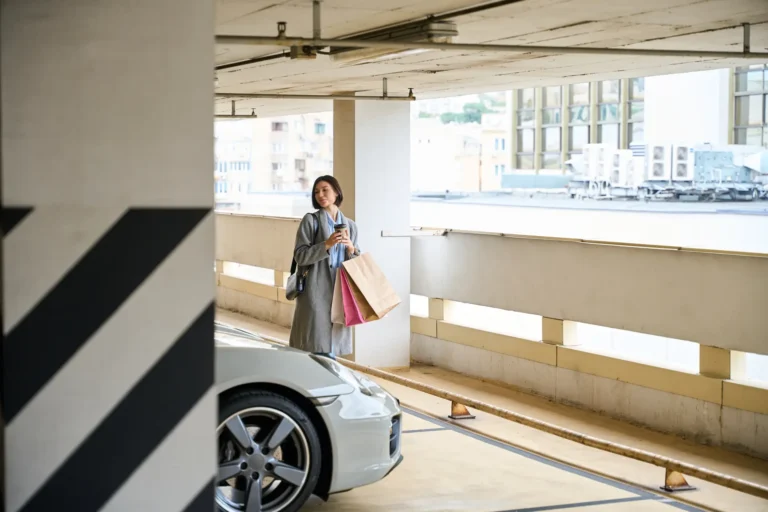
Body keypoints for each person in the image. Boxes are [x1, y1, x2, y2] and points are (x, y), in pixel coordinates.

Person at [289, 175, 360, 358]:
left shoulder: (350, 226)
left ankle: (326, 382)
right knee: (318, 346)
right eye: (316, 191)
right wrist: (326, 245)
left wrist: (351, 248)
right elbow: (300, 256)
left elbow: (356, 262)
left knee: (333, 346)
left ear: (336, 192)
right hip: (316, 290)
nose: (320, 194)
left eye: (325, 190)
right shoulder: (310, 221)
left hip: (340, 290)